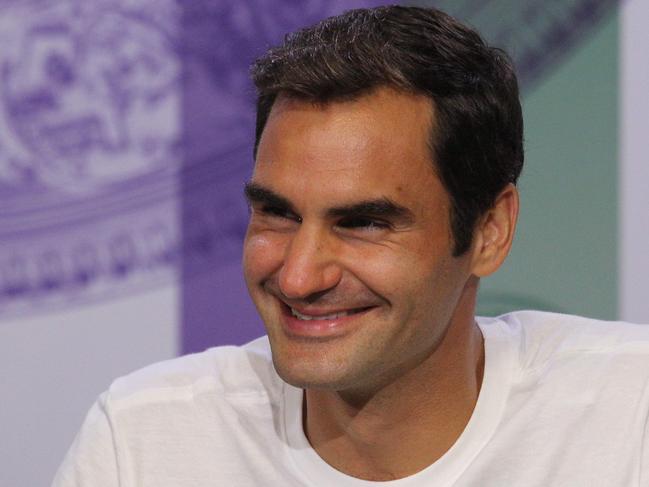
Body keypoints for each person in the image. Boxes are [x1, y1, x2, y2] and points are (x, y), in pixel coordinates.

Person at [54, 6, 649, 486]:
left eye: (363, 223)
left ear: (490, 231)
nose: (297, 277)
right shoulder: (144, 444)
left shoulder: (630, 416)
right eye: (277, 213)